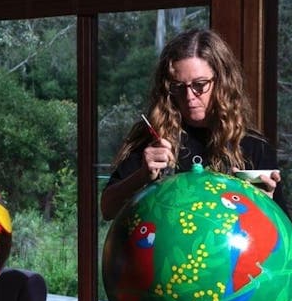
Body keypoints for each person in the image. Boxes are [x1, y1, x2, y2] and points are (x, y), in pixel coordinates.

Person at [100, 28, 282, 221]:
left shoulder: (252, 146)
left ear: (222, 81)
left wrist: (267, 204)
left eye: (200, 85)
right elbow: (108, 209)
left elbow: (283, 236)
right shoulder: (156, 140)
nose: (189, 97)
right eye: (178, 87)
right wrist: (142, 175)